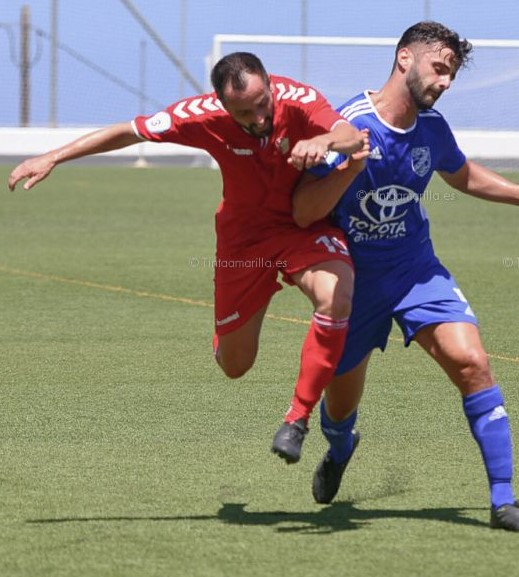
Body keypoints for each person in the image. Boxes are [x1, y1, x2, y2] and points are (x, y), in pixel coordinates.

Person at [7, 52, 367, 464]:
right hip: (244, 243)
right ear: (221, 104)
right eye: (244, 112)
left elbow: (351, 136)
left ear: (270, 83)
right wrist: (54, 156)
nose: (259, 117)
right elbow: (130, 131)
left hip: (304, 228)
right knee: (235, 365)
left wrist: (322, 140)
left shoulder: (299, 98)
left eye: (263, 103)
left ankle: (297, 419)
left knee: (336, 293)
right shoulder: (200, 116)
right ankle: (234, 323)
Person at [293, 22, 519, 533]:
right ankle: (340, 448)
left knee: (472, 362)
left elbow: (461, 173)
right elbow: (304, 211)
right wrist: (344, 169)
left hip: (417, 270)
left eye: (451, 75)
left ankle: (504, 500)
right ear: (405, 59)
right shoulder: (349, 125)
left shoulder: (433, 128)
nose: (445, 82)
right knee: (340, 407)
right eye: (439, 68)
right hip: (353, 282)